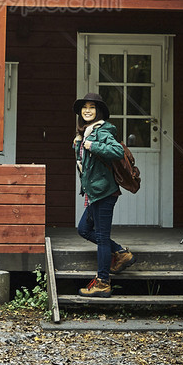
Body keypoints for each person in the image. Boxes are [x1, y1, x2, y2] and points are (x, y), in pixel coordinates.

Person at [73, 91, 135, 296]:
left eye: (92, 107)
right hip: (94, 193)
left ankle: (103, 282)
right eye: (84, 107)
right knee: (83, 229)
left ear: (99, 111)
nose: (87, 110)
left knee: (101, 237)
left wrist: (92, 145)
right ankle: (121, 252)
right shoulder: (85, 133)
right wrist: (79, 144)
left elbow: (116, 151)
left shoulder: (102, 131)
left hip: (104, 193)